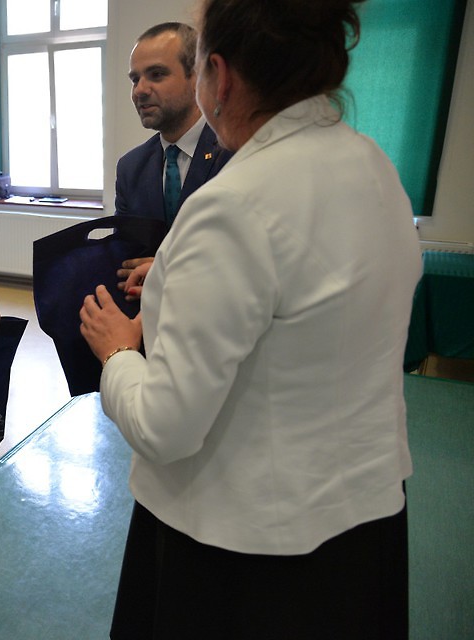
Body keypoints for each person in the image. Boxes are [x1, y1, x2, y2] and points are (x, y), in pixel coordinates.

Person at [79, 1, 421, 638]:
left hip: (246, 547)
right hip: (363, 516)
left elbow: (165, 427)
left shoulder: (234, 203)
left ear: (219, 76)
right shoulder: (372, 164)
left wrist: (118, 352)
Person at [114, 23, 231, 298]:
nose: (140, 90)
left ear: (198, 76)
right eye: (135, 79)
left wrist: (168, 273)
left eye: (156, 74)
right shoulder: (131, 168)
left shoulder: (235, 153)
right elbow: (126, 259)